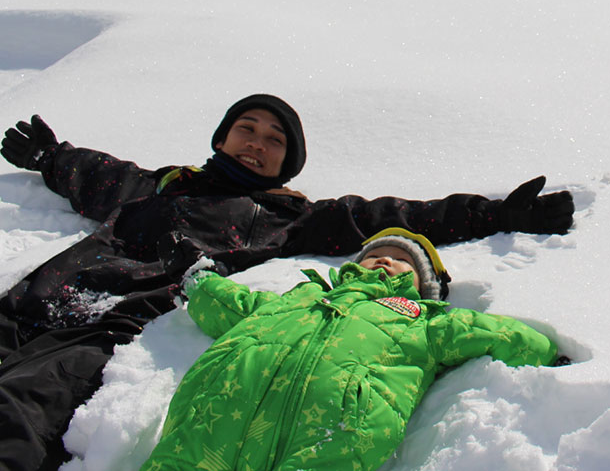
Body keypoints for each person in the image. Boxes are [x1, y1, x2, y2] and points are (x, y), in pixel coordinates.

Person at [0, 95, 574, 471]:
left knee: (17, 411)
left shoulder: (284, 218)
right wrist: (52, 155)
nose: (256, 142)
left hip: (110, 325)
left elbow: (392, 215)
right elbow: (93, 175)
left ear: (286, 164)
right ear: (221, 139)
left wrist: (495, 214)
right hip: (36, 301)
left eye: (274, 140)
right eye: (245, 129)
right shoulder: (161, 186)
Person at [139, 226, 562, 471]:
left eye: (403, 261)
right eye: (376, 254)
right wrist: (197, 279)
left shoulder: (422, 319)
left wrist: (545, 351)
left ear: (425, 285)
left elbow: (486, 330)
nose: (385, 261)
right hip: (211, 421)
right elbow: (234, 304)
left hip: (328, 439)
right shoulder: (299, 297)